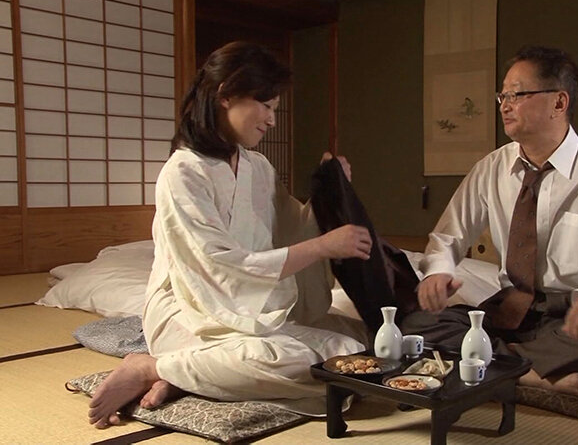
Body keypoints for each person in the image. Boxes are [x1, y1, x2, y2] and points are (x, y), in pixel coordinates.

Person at [88, 41, 374, 428]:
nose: (271, 120)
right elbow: (218, 266)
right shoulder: (183, 173)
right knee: (298, 361)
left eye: (275, 109)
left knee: (354, 346)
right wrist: (323, 245)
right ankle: (149, 366)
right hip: (190, 310)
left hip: (249, 308)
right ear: (226, 95)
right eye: (266, 106)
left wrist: (330, 189)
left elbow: (291, 227)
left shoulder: (258, 167)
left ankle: (182, 375)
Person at [403, 45, 578, 405]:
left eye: (517, 94)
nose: (504, 105)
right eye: (502, 95)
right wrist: (438, 271)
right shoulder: (491, 168)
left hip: (576, 313)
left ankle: (492, 364)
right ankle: (535, 377)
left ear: (559, 103)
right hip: (509, 309)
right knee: (415, 325)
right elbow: (448, 235)